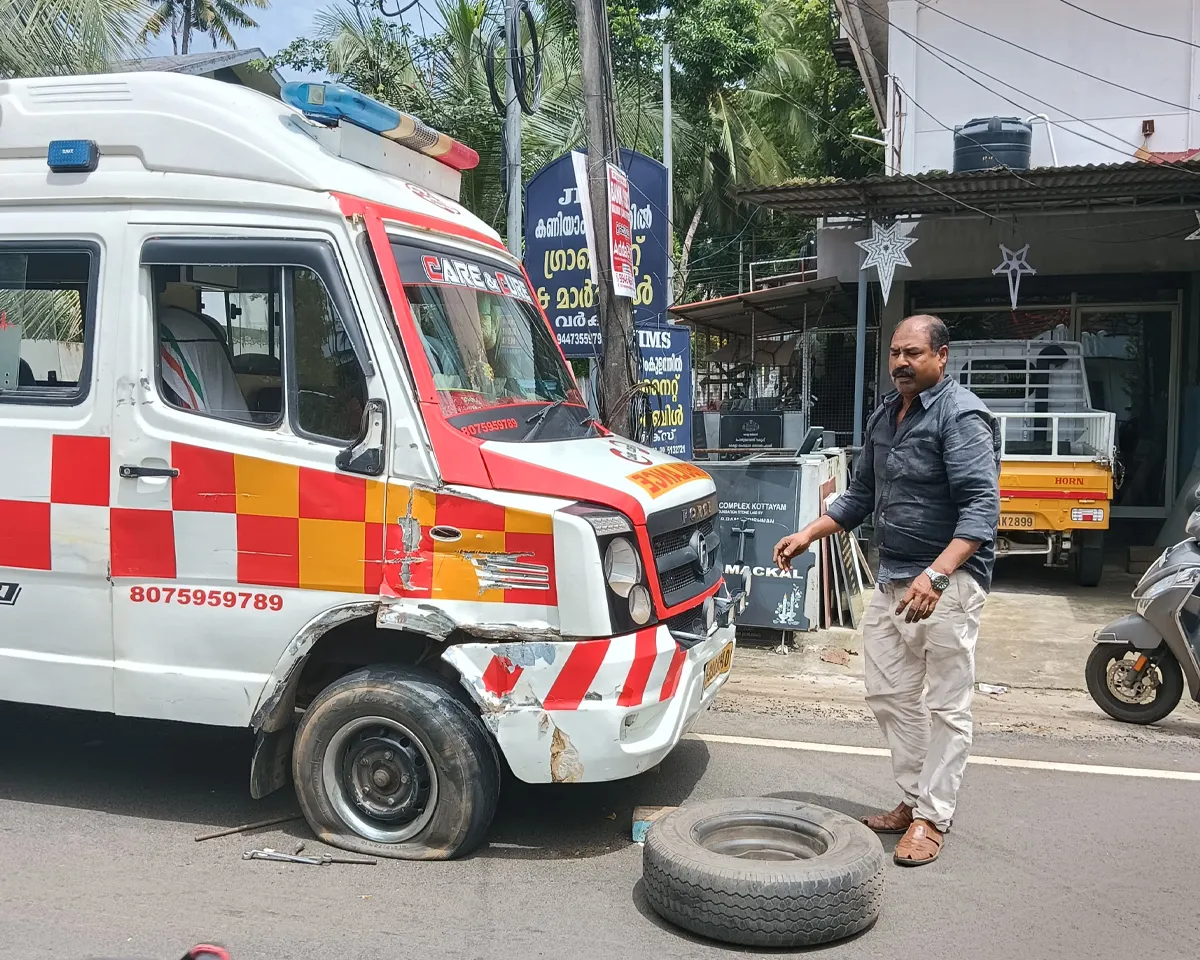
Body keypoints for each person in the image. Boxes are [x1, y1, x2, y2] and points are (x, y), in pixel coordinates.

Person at [773, 314, 1000, 867]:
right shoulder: (885, 416)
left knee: (947, 705)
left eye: (914, 353)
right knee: (888, 694)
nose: (901, 362)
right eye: (896, 352)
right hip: (894, 577)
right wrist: (809, 532)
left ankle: (931, 817)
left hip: (946, 584)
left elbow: (981, 510)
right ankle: (914, 796)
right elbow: (859, 497)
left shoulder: (960, 415)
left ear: (941, 356)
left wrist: (937, 575)